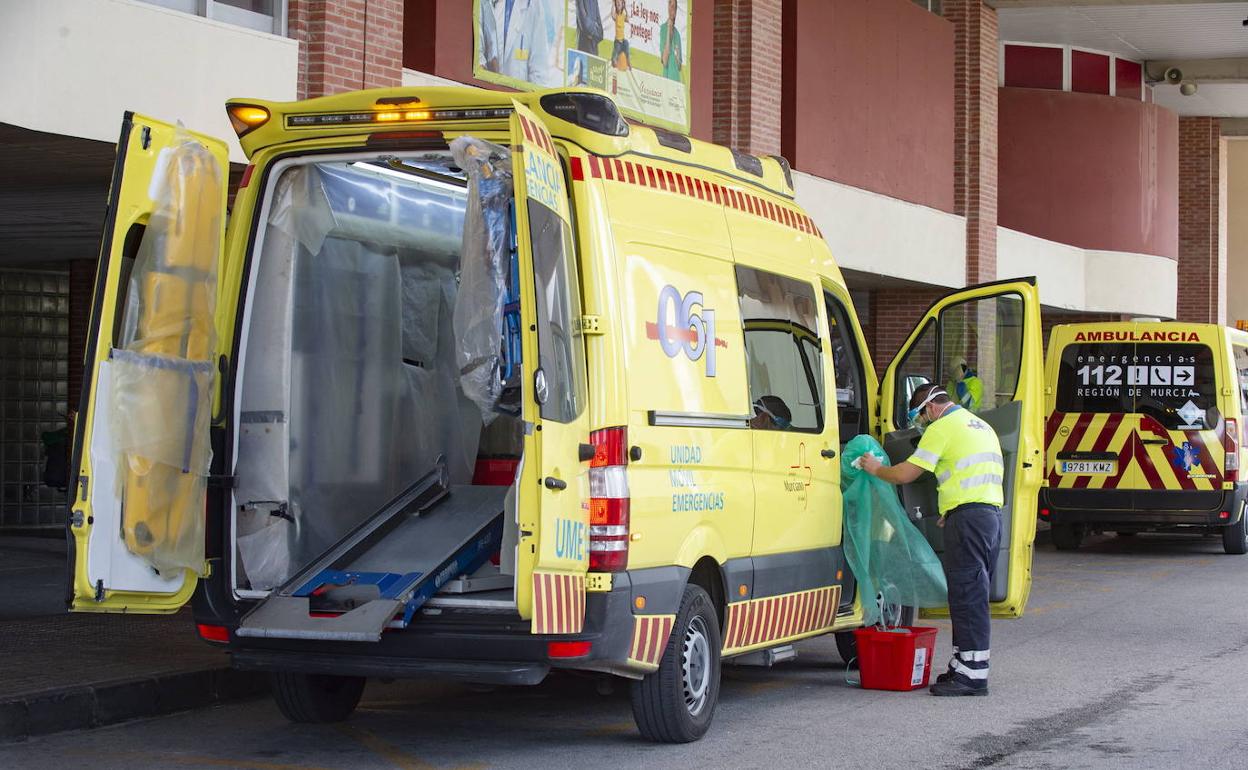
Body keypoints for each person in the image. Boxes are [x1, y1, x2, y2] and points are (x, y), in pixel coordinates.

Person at [858, 383, 1004, 697]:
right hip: (987, 515)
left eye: (920, 417)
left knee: (966, 594)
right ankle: (965, 664)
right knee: (972, 592)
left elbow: (904, 474)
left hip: (969, 520)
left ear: (930, 407)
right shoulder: (979, 425)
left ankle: (972, 676)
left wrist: (875, 468)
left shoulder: (943, 426)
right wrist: (954, 508)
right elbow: (972, 473)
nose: (922, 424)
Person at [659, 0, 682, 82]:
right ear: (668, 8)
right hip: (666, 80)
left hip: (676, 80)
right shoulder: (663, 28)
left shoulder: (678, 35)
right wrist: (669, 29)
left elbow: (679, 66)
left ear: (676, 11)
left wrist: (677, 56)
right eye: (670, 5)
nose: (672, 9)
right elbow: (665, 61)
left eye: (674, 7)